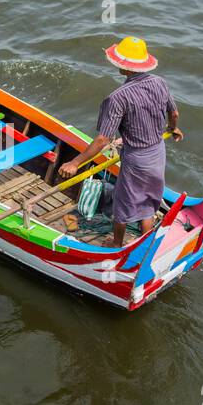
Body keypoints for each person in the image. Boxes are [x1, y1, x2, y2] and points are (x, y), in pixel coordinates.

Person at [58, 36, 181, 247]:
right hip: (157, 152)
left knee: (122, 204)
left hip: (136, 159)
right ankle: (146, 239)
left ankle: (116, 244)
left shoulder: (118, 97)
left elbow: (103, 139)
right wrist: (173, 128)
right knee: (150, 196)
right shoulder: (160, 82)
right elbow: (174, 113)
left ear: (124, 67)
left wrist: (74, 163)